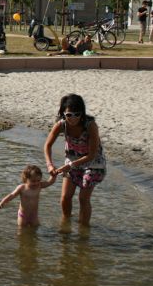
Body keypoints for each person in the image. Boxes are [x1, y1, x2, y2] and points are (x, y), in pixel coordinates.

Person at [43, 94, 106, 227]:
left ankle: (84, 230)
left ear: (82, 113)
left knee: (83, 199)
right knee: (65, 197)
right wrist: (50, 165)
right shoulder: (61, 125)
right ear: (63, 113)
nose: (73, 118)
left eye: (77, 114)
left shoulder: (91, 125)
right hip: (72, 160)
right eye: (69, 114)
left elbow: (92, 154)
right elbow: (47, 145)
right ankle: (66, 223)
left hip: (93, 163)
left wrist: (70, 165)